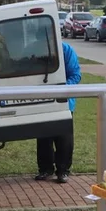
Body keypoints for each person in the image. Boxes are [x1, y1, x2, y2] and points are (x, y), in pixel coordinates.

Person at [35, 40, 81, 184]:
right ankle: (45, 169)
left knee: (64, 140)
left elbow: (75, 75)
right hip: (42, 102)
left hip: (64, 102)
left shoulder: (66, 50)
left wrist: (60, 90)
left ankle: (63, 171)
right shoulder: (34, 49)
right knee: (43, 138)